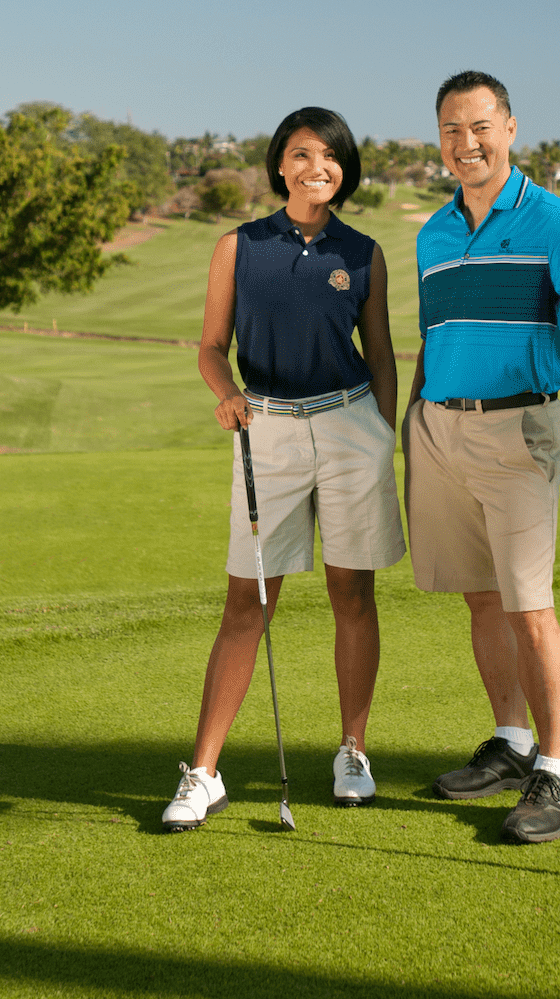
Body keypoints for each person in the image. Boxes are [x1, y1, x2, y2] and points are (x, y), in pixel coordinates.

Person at [404, 70, 560, 844]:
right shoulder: (432, 234)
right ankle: (512, 742)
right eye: (452, 130)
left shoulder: (555, 222)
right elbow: (435, 337)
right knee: (481, 597)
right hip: (439, 431)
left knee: (530, 607)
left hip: (516, 432)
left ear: (510, 129)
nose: (466, 143)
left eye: (480, 126)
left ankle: (558, 772)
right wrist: (412, 425)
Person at [162, 106, 404, 831]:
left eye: (329, 157)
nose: (315, 168)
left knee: (351, 592)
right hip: (265, 428)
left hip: (351, 424)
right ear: (279, 165)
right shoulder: (238, 247)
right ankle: (204, 772)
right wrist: (227, 393)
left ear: (343, 171)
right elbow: (211, 347)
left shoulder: (363, 253)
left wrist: (382, 433)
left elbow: (381, 351)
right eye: (301, 154)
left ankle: (352, 751)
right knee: (248, 600)